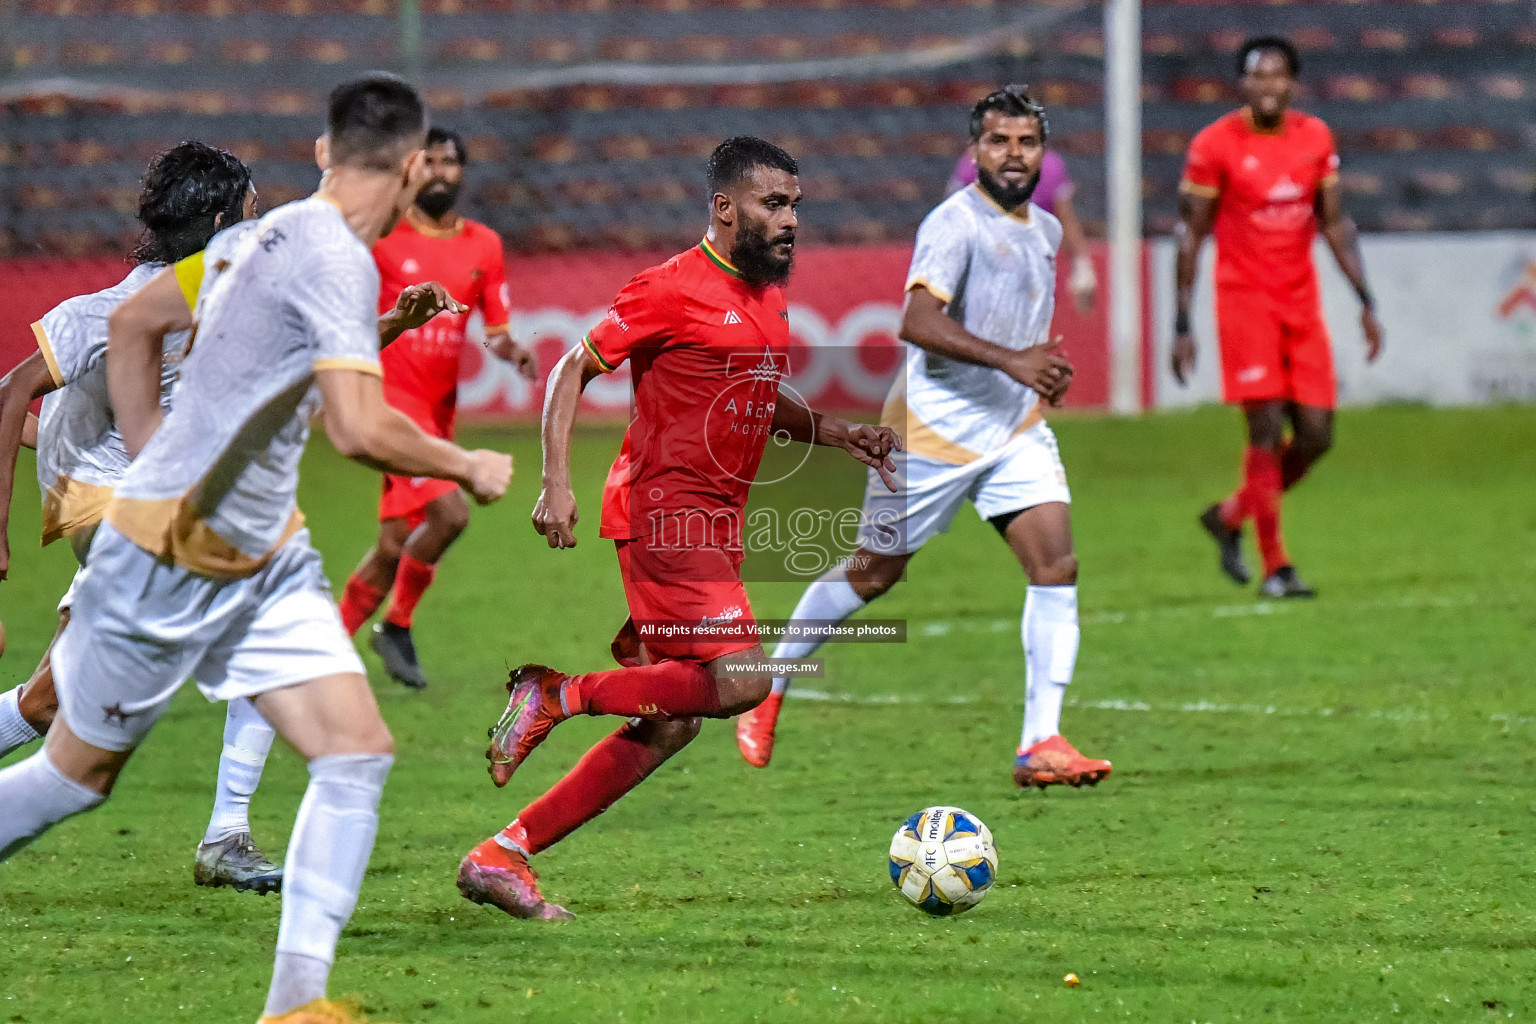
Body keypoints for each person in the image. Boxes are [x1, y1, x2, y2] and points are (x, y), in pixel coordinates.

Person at [0, 73, 512, 1024]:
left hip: (256, 550)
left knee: (354, 752)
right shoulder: (331, 258)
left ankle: (295, 1003)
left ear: (322, 154)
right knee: (74, 771)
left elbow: (138, 318)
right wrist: (465, 463)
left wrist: (156, 445)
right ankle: (248, 884)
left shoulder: (254, 243)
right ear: (409, 169)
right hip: (178, 545)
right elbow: (359, 430)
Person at [456, 136, 901, 921]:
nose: (790, 218)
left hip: (715, 522)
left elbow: (756, 393)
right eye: (773, 204)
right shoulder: (669, 288)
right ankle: (557, 694)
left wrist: (837, 432)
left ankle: (502, 854)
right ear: (725, 209)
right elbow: (572, 369)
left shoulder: (767, 293)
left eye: (795, 203)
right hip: (665, 514)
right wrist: (555, 482)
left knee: (674, 723)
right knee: (747, 680)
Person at [736, 86, 1114, 790]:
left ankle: (1041, 743)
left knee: (1056, 567)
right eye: (998, 141)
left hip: (1013, 431)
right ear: (975, 150)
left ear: (1044, 153)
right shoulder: (954, 223)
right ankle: (771, 685)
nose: (1012, 154)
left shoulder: (1047, 232)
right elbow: (915, 321)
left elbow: (1016, 330)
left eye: (1026, 142)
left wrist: (1040, 370)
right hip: (931, 432)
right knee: (874, 574)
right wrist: (1013, 361)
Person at [0, 142, 291, 891]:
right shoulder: (119, 308)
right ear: (223, 220)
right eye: (254, 213)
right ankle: (226, 836)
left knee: (47, 703)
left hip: (140, 508)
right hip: (112, 509)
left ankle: (225, 836)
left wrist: (392, 319)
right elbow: (11, 392)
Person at [1173, 36, 1382, 598]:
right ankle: (1276, 567)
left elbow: (1334, 224)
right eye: (1256, 76)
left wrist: (1365, 299)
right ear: (1243, 84)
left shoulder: (1315, 137)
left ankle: (1229, 515)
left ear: (1293, 83)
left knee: (1316, 436)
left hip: (1301, 303)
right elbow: (1190, 234)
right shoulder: (1213, 145)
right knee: (1264, 431)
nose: (1268, 85)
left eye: (1277, 76)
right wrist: (1182, 323)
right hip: (1245, 304)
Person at [338, 125, 537, 690]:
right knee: (451, 513)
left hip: (438, 409)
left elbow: (495, 330)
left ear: (462, 172)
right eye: (430, 162)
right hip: (387, 404)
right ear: (412, 170)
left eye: (451, 162)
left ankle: (326, 646)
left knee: (393, 546)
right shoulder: (383, 239)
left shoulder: (484, 245)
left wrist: (511, 349)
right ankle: (397, 624)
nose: (441, 172)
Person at [948, 141, 1096, 313]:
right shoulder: (974, 164)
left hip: (1032, 274)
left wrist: (1082, 264)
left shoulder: (1049, 167)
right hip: (983, 274)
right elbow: (954, 218)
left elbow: (1065, 218)